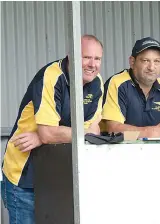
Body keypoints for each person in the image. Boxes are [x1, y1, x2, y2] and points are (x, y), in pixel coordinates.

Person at [1, 35, 104, 224]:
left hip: (60, 177)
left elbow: (94, 130)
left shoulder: (97, 83)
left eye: (97, 59)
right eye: (86, 57)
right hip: (25, 177)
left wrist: (44, 136)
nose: (92, 64)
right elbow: (80, 133)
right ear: (71, 55)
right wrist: (50, 134)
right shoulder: (51, 76)